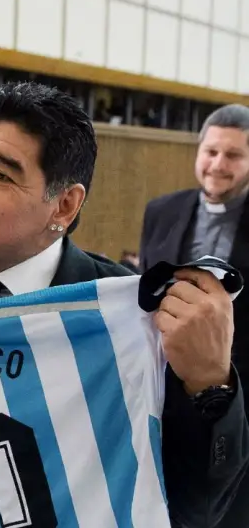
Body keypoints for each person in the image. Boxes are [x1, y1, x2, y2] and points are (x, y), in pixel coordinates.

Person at [0, 82, 249, 527]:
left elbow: (192, 506)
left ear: (65, 205)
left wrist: (210, 384)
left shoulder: (129, 318)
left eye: (1, 174)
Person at [141, 103, 249, 527]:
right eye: (211, 152)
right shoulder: (161, 210)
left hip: (235, 389)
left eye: (234, 155)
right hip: (162, 386)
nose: (218, 165)